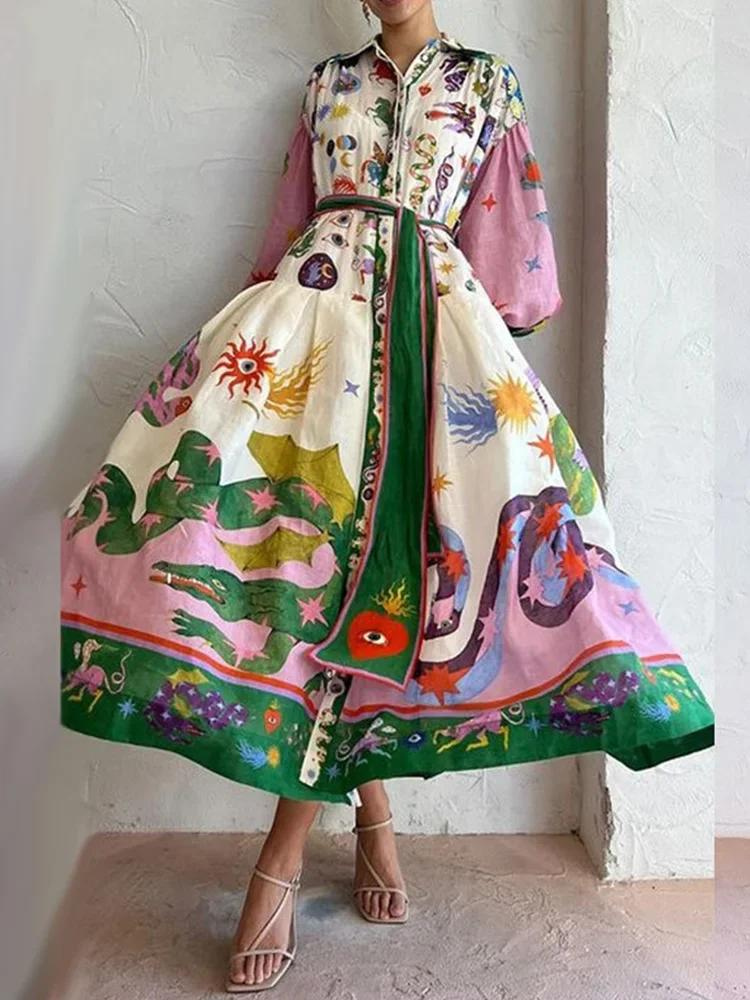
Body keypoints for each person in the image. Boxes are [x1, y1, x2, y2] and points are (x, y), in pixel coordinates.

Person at [59, 0, 715, 992]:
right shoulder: (326, 85)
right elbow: (285, 234)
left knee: (406, 576)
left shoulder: (486, 83)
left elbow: (516, 258)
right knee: (310, 574)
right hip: (315, 341)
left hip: (434, 346)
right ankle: (370, 816)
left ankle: (286, 853)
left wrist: (467, 352)